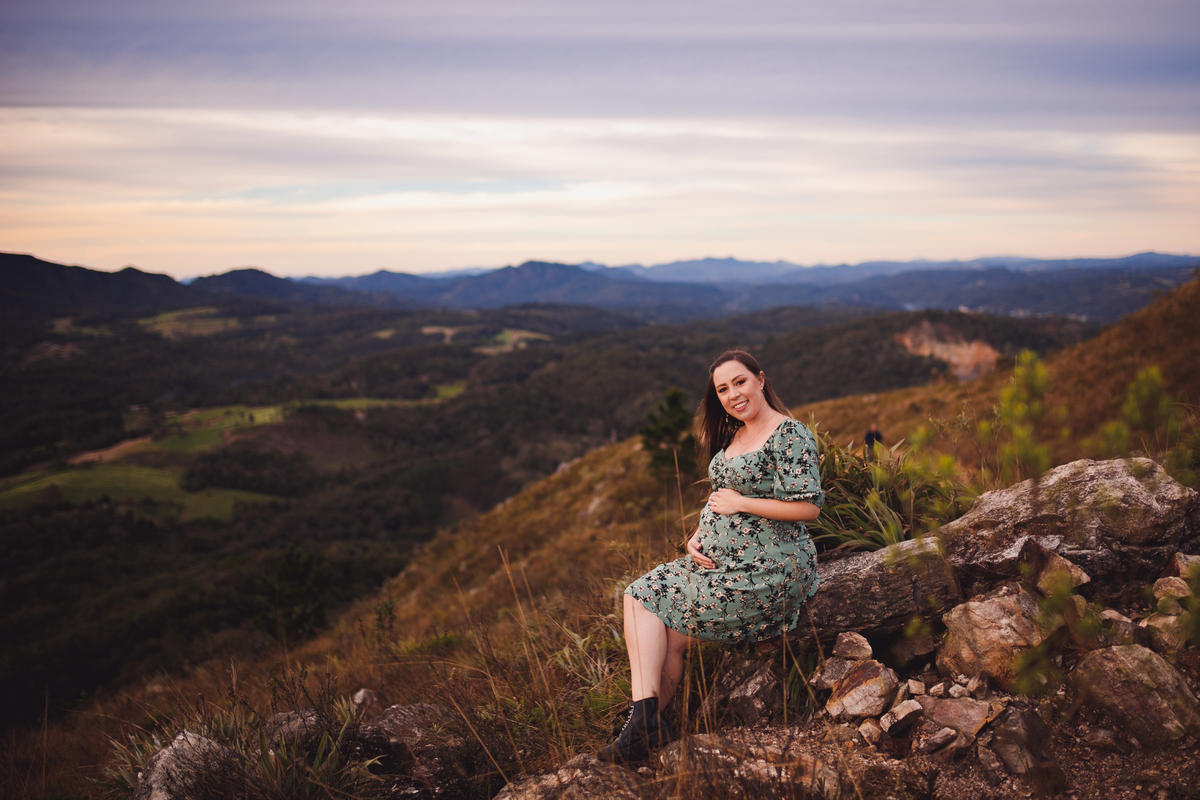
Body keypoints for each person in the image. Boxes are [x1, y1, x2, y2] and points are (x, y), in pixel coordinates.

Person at [598, 350, 823, 763]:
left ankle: (643, 722)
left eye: (739, 382)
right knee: (660, 632)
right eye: (722, 389)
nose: (733, 394)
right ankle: (644, 724)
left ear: (760, 379)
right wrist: (699, 534)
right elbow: (720, 497)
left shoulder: (789, 434)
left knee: (638, 597)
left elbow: (807, 507)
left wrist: (742, 503)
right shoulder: (735, 435)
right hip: (718, 564)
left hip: (767, 572)